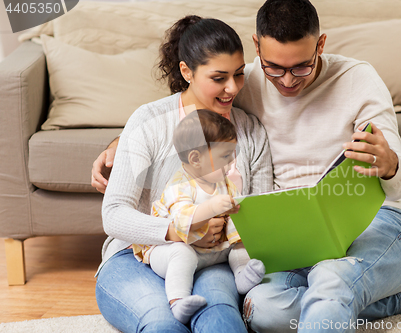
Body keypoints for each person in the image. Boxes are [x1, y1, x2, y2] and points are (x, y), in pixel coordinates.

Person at [92, 2, 401, 332]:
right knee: (260, 310)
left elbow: (254, 203)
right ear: (257, 47)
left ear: (321, 45)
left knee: (324, 283)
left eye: (302, 68)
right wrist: (121, 144)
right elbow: (178, 113)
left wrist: (390, 164)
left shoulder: (349, 83)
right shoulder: (247, 83)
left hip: (364, 221)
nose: (288, 81)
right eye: (274, 68)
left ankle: (366, 294)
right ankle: (395, 303)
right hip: (196, 244)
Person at [94, 16, 273, 333]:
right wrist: (180, 232)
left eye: (239, 75)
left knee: (220, 321)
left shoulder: (250, 132)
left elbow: (258, 214)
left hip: (213, 259)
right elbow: (114, 214)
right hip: (136, 255)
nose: (232, 88)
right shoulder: (150, 122)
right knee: (163, 324)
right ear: (186, 72)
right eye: (219, 78)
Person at [133, 109, 265, 324]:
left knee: (240, 243)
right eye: (224, 157)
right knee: (181, 254)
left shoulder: (224, 183)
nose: (231, 163)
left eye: (232, 155)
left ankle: (242, 274)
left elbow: (237, 219)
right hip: (171, 250)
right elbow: (181, 219)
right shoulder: (179, 185)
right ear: (195, 159)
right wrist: (211, 207)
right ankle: (178, 301)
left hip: (211, 250)